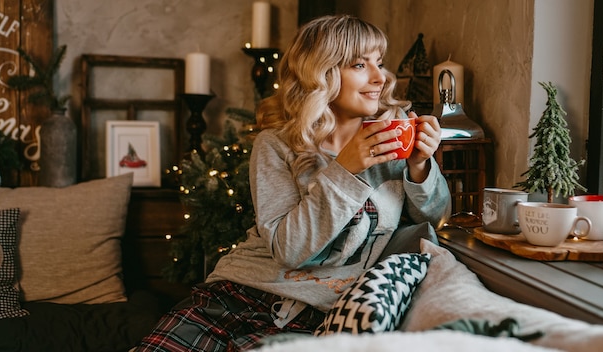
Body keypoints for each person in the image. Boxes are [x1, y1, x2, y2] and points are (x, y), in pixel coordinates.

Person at [137, 14, 451, 352]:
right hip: (234, 296)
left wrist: (420, 165)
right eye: (360, 65)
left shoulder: (391, 140)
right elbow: (289, 249)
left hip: (315, 319)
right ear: (322, 73)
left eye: (380, 63)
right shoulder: (276, 145)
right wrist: (344, 170)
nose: (380, 78)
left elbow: (435, 220)